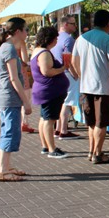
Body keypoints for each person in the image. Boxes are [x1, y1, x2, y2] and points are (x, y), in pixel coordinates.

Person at [72, 10, 109, 163]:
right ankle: (98, 153)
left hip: (84, 86)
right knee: (101, 123)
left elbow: (73, 61)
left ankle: (91, 151)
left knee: (90, 122)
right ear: (108, 23)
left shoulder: (81, 38)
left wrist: (81, 75)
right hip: (102, 87)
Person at [0, 17, 32, 182]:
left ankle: (6, 166)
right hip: (9, 97)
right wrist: (26, 101)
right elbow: (14, 78)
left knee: (8, 130)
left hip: (6, 97)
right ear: (18, 31)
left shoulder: (6, 47)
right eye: (25, 30)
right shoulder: (8, 49)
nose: (27, 33)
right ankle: (3, 169)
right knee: (9, 132)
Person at [30, 26, 70, 159]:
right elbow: (46, 71)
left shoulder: (38, 51)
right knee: (49, 120)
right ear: (50, 39)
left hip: (46, 90)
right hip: (50, 91)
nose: (57, 40)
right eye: (56, 38)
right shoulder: (44, 53)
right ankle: (52, 149)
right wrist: (62, 68)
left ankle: (46, 146)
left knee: (44, 118)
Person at [51, 15, 80, 139]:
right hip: (67, 73)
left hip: (57, 73)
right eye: (73, 24)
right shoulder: (69, 39)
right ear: (65, 25)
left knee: (62, 101)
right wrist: (76, 75)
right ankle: (63, 129)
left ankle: (58, 129)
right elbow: (68, 60)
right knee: (67, 102)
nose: (75, 26)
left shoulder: (55, 38)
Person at [16, 33, 37, 134]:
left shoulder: (6, 43)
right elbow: (24, 60)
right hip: (21, 74)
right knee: (25, 97)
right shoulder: (20, 43)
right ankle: (24, 122)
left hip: (10, 75)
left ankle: (21, 122)